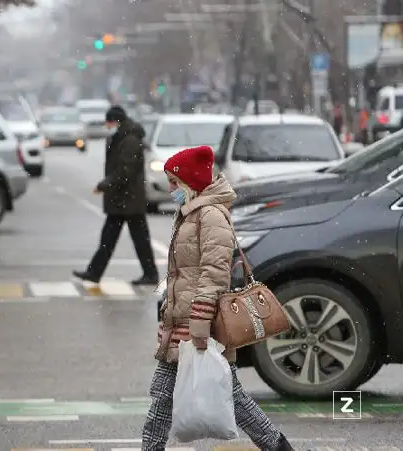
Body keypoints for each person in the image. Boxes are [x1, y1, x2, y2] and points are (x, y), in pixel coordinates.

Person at [142, 145, 293, 451]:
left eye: (174, 183)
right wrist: (168, 319)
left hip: (199, 324)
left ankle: (277, 446)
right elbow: (182, 275)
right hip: (184, 323)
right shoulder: (191, 213)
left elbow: (214, 272)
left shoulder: (209, 215)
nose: (170, 189)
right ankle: (277, 447)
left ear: (189, 183)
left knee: (228, 397)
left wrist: (197, 321)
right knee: (165, 395)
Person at [73, 105, 159, 286]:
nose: (107, 125)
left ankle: (149, 274)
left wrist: (105, 184)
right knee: (112, 238)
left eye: (109, 122)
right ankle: (95, 272)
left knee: (133, 240)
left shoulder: (130, 140)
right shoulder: (122, 137)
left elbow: (125, 171)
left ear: (117, 121)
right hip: (123, 199)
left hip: (128, 200)